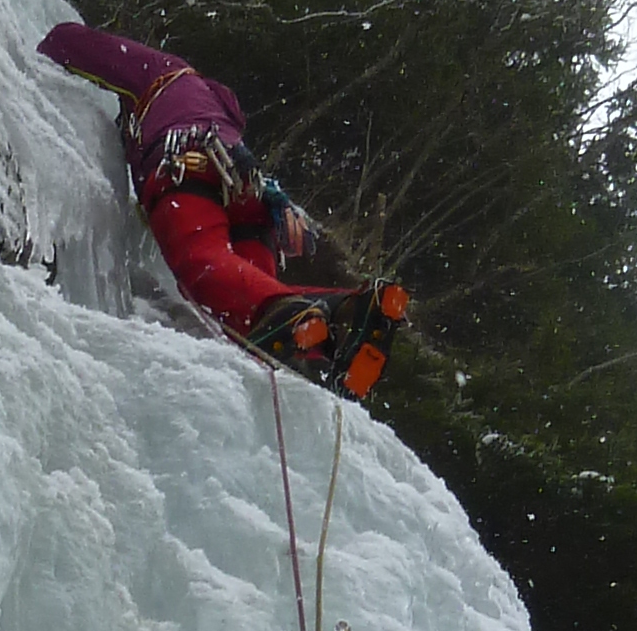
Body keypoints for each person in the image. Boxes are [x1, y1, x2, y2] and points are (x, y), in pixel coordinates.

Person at [40, 21, 409, 399]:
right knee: (246, 315)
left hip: (191, 165)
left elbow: (68, 41)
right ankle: (342, 317)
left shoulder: (166, 73)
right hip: (248, 198)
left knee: (204, 260)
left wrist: (38, 61)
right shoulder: (222, 118)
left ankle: (298, 321)